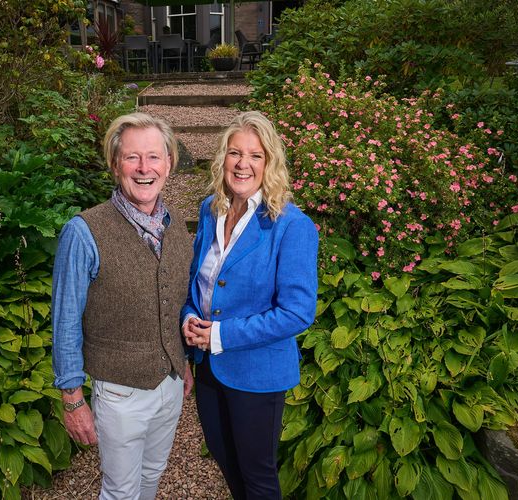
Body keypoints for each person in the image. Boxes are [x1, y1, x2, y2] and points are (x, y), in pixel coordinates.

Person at [52, 112, 194, 500]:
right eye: (133, 157)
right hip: (118, 393)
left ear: (169, 163)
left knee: (153, 474)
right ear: (116, 165)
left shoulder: (176, 223)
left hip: (170, 384)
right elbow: (65, 321)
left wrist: (182, 363)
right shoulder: (83, 232)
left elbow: (177, 298)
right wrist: (72, 398)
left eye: (154, 157)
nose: (144, 168)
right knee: (119, 491)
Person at [182, 111, 319, 499]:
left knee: (257, 479)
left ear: (269, 163)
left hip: (257, 373)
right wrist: (189, 316)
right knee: (226, 461)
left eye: (255, 156)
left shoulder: (291, 226)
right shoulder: (211, 210)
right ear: (222, 158)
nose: (243, 164)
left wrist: (221, 334)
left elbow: (297, 311)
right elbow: (200, 280)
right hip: (209, 367)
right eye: (235, 153)